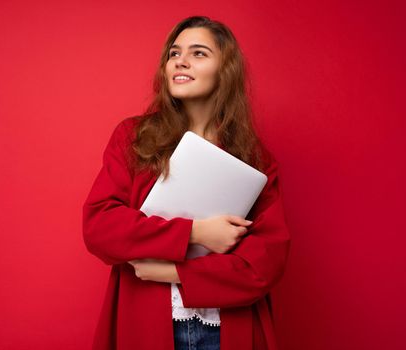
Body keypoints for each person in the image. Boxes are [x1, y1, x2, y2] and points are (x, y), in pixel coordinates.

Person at [82, 15, 291, 350]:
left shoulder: (255, 159)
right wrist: (195, 232)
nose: (180, 60)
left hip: (228, 327)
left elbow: (264, 266)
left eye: (199, 53)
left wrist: (173, 273)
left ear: (225, 69)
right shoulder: (133, 138)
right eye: (174, 53)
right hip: (148, 323)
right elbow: (100, 227)